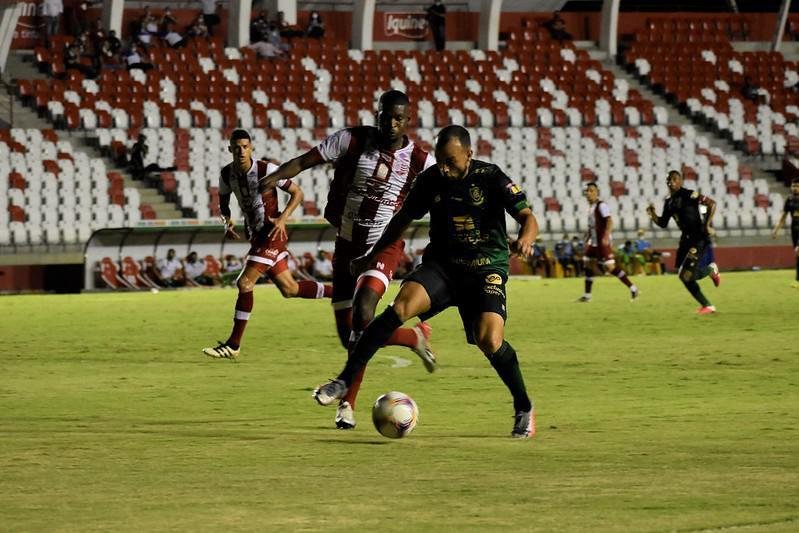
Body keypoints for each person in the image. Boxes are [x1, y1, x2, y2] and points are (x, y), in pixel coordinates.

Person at [312, 125, 539, 439]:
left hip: (486, 269)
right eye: (441, 161)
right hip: (444, 267)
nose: (444, 168)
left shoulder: (491, 177)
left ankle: (524, 406)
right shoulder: (430, 180)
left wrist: (526, 239)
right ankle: (343, 381)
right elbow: (400, 222)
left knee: (489, 340)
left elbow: (528, 217)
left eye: (451, 161)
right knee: (399, 307)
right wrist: (369, 257)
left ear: (469, 155)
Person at [260, 90, 437, 430]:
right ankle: (412, 338)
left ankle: (347, 405)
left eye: (399, 118)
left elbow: (444, 185)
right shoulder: (351, 140)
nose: (392, 123)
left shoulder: (418, 160)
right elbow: (305, 161)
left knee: (364, 312)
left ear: (408, 120)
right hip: (345, 245)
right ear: (378, 114)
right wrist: (274, 178)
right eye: (386, 116)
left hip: (383, 248)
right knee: (350, 337)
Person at [202, 130, 334, 359]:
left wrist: (283, 218)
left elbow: (297, 192)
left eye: (245, 146)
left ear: (251, 148)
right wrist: (227, 222)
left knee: (244, 282)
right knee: (290, 289)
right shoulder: (226, 174)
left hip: (272, 233)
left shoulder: (266, 170)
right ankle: (345, 292)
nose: (241, 151)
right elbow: (223, 204)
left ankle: (233, 345)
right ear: (230, 150)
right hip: (256, 235)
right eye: (237, 147)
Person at [647, 170, 721, 314]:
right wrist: (652, 214)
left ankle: (711, 269)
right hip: (685, 239)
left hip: (698, 238)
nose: (672, 182)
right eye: (669, 179)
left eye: (675, 179)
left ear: (680, 181)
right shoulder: (668, 202)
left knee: (688, 275)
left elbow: (712, 204)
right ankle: (708, 306)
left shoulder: (689, 194)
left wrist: (706, 225)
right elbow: (663, 223)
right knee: (683, 276)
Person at [578, 182, 638, 302]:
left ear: (597, 192)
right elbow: (593, 226)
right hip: (593, 243)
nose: (589, 193)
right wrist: (588, 235)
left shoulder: (601, 205)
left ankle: (633, 288)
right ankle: (587, 295)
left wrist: (606, 235)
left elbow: (609, 221)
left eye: (591, 191)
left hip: (602, 243)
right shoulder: (590, 208)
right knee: (587, 263)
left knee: (610, 267)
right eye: (587, 191)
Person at [771, 177, 799, 288]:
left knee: (798, 252)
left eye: (797, 186)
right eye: (793, 186)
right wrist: (776, 229)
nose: (795, 188)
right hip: (794, 229)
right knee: (797, 255)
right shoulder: (789, 199)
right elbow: (784, 216)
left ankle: (797, 281)